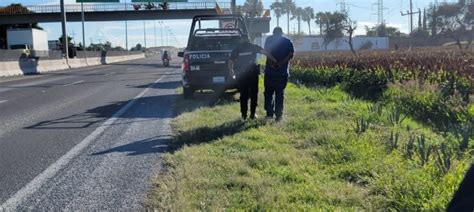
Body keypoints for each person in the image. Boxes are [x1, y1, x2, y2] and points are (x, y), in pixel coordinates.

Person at [229, 36, 277, 120]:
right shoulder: (253, 47)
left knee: (243, 95)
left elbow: (230, 61)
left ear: (241, 40)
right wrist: (274, 60)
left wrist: (231, 70)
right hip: (252, 74)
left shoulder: (237, 49)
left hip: (242, 75)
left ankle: (244, 115)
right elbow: (265, 53)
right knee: (254, 94)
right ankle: (252, 114)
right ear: (249, 40)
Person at [263, 27, 294, 122]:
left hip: (270, 73)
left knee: (268, 93)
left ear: (273, 32)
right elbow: (291, 54)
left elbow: (266, 52)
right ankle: (279, 116)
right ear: (281, 33)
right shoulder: (287, 41)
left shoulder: (269, 39)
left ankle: (269, 114)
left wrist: (273, 61)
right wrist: (281, 63)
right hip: (282, 73)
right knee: (280, 94)